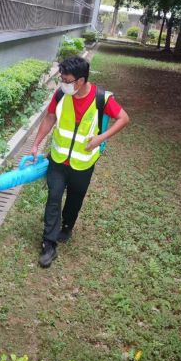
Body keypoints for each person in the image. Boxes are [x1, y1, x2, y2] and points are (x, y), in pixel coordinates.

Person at [30, 56, 129, 267]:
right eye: (62, 79)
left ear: (81, 80)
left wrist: (101, 138)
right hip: (58, 160)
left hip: (83, 163)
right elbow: (49, 118)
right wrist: (36, 143)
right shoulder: (60, 95)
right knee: (53, 197)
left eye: (67, 80)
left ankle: (67, 226)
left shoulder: (102, 98)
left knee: (75, 199)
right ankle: (49, 243)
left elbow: (124, 118)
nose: (63, 83)